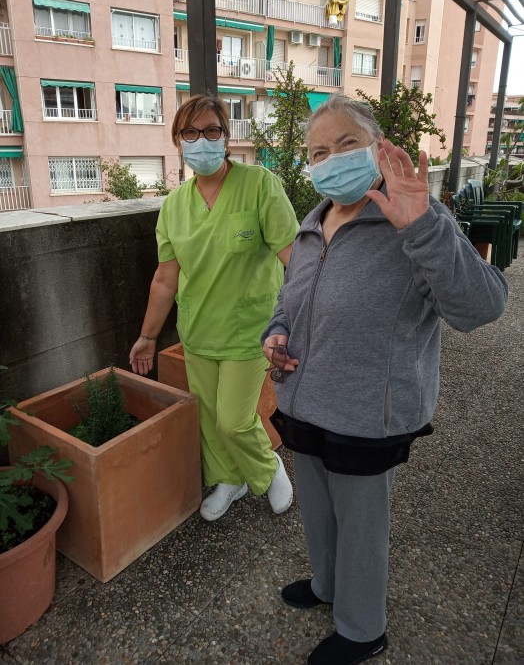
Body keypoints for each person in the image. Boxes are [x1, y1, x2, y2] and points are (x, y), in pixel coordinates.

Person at [261, 94, 508, 665]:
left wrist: (423, 226)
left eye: (346, 143)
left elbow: (483, 307)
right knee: (318, 510)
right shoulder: (311, 224)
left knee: (361, 528)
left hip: (368, 414)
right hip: (303, 403)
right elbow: (289, 301)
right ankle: (326, 585)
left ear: (376, 146)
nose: (331, 159)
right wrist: (276, 334)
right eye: (318, 152)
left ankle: (362, 628)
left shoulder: (415, 219)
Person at [130, 94, 299, 521]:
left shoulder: (260, 185)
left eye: (211, 130)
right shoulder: (174, 206)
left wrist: (304, 320)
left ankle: (267, 468)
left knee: (233, 420)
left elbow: (294, 258)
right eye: (190, 132)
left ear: (226, 138)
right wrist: (148, 336)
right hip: (199, 330)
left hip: (251, 329)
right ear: (177, 140)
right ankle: (228, 478)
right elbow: (165, 278)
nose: (200, 140)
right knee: (208, 417)